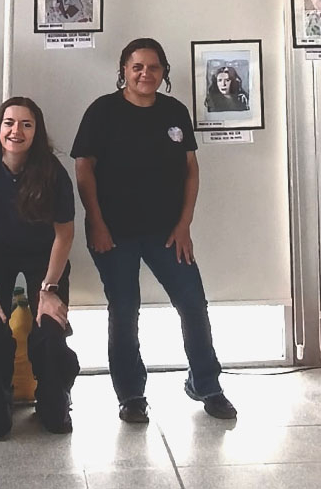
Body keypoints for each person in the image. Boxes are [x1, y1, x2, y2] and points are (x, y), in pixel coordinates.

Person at [71, 37, 237, 423]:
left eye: (153, 67)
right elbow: (83, 168)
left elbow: (191, 170)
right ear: (124, 71)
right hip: (113, 232)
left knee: (192, 303)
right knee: (124, 309)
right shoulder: (103, 111)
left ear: (163, 72)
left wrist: (184, 225)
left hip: (167, 231)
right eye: (137, 67)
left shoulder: (174, 111)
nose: (145, 73)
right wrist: (97, 223)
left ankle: (206, 385)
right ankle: (131, 395)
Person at [0, 97, 80, 439]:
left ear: (37, 131)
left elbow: (65, 234)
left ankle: (54, 406)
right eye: (9, 123)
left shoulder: (52, 171)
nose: (16, 131)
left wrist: (49, 290)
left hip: (44, 255)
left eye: (26, 124)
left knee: (50, 328)